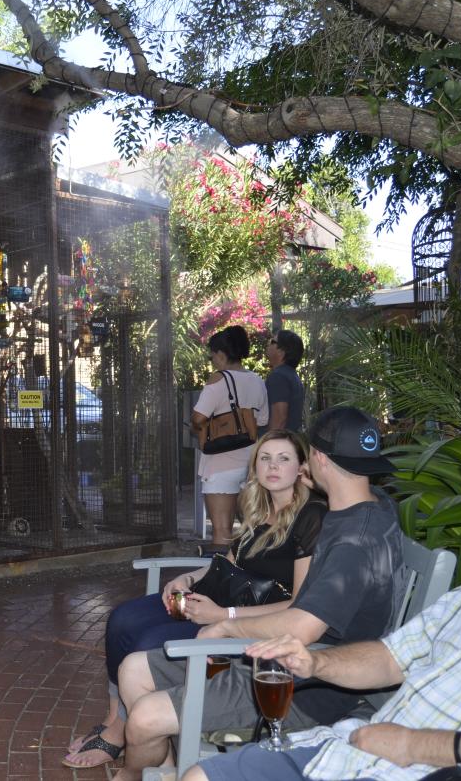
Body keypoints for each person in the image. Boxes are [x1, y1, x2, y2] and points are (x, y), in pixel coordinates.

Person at [183, 439, 461, 781]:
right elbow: (392, 658)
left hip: (415, 766)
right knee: (199, 776)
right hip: (352, 747)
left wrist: (415, 745)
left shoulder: (349, 528)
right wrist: (315, 664)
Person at [113, 407, 405, 781]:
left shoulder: (352, 540)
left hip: (306, 684)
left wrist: (226, 624)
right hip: (282, 655)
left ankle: (135, 774)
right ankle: (165, 770)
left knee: (143, 718)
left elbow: (304, 626)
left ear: (316, 458)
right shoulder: (369, 505)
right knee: (133, 669)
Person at [63, 430, 327, 769]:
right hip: (213, 601)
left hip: (246, 622)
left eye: (284, 459)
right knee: (121, 620)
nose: (273, 466)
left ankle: (132, 735)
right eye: (265, 458)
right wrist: (187, 578)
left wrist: (223, 615)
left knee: (146, 641)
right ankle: (117, 720)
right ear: (255, 466)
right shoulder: (260, 508)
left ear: (302, 468)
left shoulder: (311, 517)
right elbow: (228, 563)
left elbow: (300, 602)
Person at [194, 325, 270, 550]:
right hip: (249, 461)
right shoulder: (257, 380)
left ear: (221, 354)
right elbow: (263, 420)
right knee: (249, 526)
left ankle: (222, 581)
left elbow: (198, 418)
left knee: (222, 529)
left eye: (213, 355)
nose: (213, 360)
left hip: (219, 465)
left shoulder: (218, 379)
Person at [265, 329, 305, 431]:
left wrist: (270, 444)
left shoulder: (278, 377)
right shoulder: (291, 375)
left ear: (281, 351)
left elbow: (279, 420)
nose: (268, 344)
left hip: (279, 443)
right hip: (289, 440)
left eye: (272, 342)